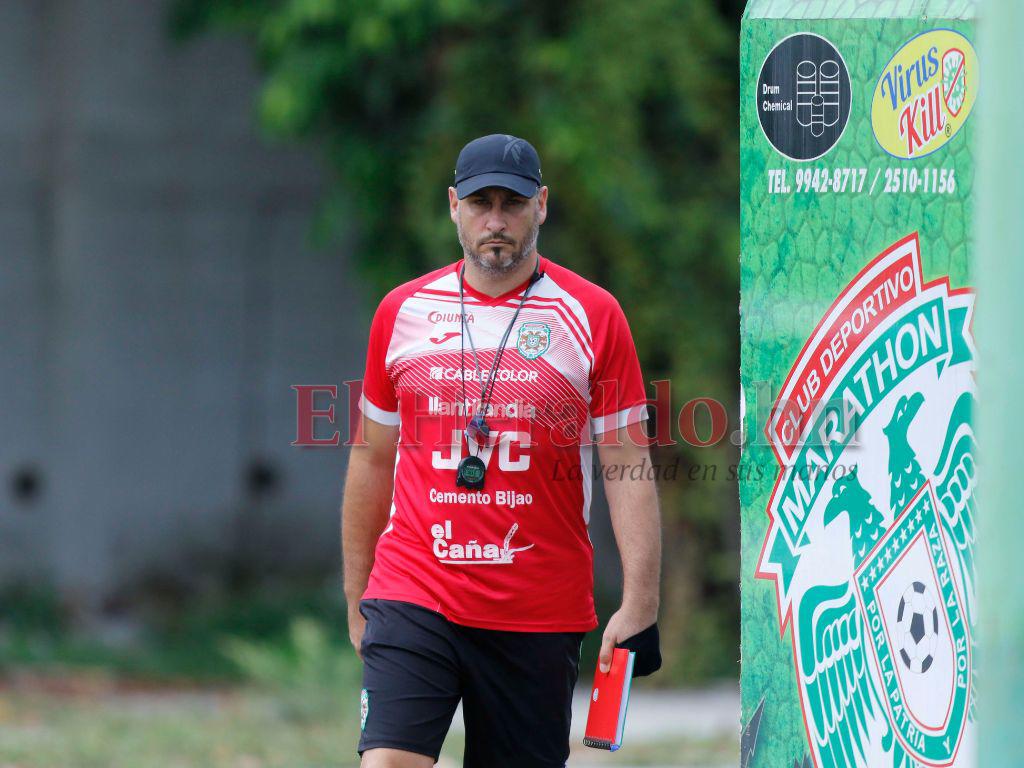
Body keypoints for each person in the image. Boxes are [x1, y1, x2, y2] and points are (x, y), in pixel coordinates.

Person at [342, 134, 662, 768]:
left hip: (537, 609)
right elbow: (372, 461)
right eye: (480, 202)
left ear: (541, 206)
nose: (495, 220)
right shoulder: (400, 312)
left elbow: (627, 463)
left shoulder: (593, 315)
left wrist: (642, 598)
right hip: (415, 590)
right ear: (452, 207)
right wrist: (358, 601)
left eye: (512, 203)